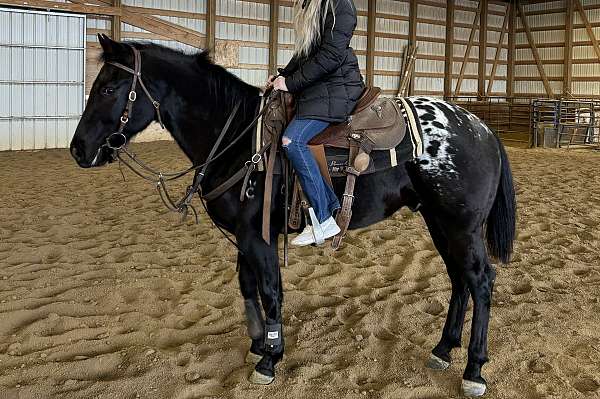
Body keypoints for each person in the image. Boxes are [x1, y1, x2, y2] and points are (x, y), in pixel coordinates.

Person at [266, 0, 364, 246]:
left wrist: (290, 84)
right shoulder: (315, 6)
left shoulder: (340, 6)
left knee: (292, 140)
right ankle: (330, 206)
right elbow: (305, 54)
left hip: (338, 89)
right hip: (320, 88)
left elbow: (330, 56)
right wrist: (283, 75)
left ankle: (322, 219)